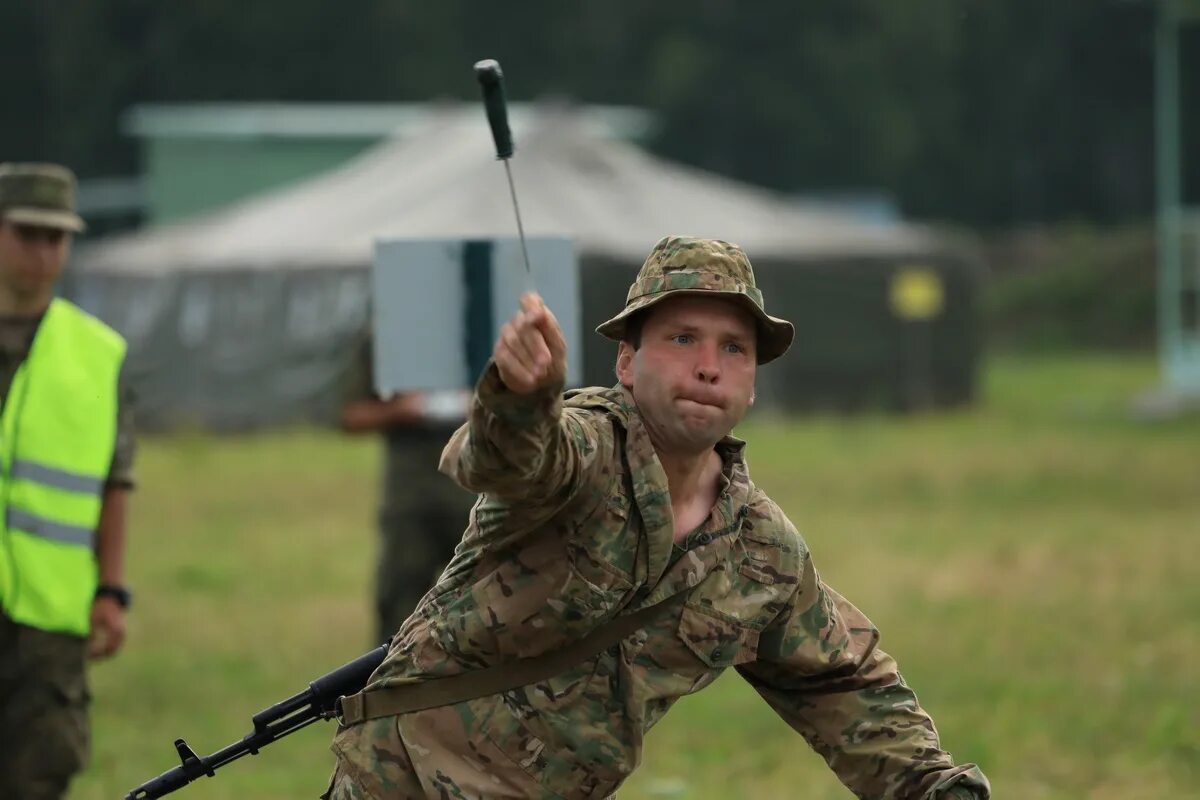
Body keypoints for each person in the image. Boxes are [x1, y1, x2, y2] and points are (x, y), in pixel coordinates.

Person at [325, 236, 991, 799]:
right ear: (626, 361)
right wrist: (521, 397)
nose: (708, 367)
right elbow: (506, 459)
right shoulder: (586, 448)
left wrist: (940, 789)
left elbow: (847, 688)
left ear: (753, 382)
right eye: (681, 338)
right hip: (404, 776)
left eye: (734, 349)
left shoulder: (759, 553)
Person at [0, 163, 136, 799]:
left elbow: (116, 479)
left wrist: (111, 589)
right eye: (29, 234)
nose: (45, 251)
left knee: (38, 779)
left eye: (58, 237)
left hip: (48, 622)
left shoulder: (95, 352)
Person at [340, 333, 477, 644]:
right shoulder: (391, 330)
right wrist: (404, 410)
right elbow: (350, 416)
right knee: (397, 618)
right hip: (411, 502)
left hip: (478, 500)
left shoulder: (491, 317)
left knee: (486, 616)